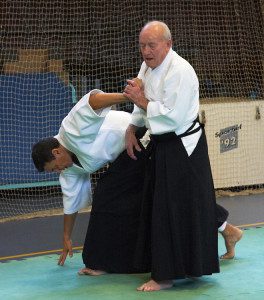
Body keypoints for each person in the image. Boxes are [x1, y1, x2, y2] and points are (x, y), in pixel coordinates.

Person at [32, 84, 241, 277]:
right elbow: (71, 201)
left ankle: (102, 262)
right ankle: (226, 229)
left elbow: (93, 101)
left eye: (55, 167)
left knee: (110, 194)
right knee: (156, 196)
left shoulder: (70, 129)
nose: (58, 170)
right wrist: (66, 237)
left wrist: (128, 96)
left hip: (138, 136)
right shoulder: (68, 169)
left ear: (57, 152)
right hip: (125, 157)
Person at [123, 20, 242, 292]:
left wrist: (140, 101)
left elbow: (172, 117)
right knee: (177, 207)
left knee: (174, 210)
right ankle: (191, 265)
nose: (146, 51)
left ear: (168, 44)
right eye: (142, 46)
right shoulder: (148, 66)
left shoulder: (181, 71)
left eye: (152, 45)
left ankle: (166, 275)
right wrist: (132, 127)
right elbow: (141, 103)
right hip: (163, 143)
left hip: (183, 145)